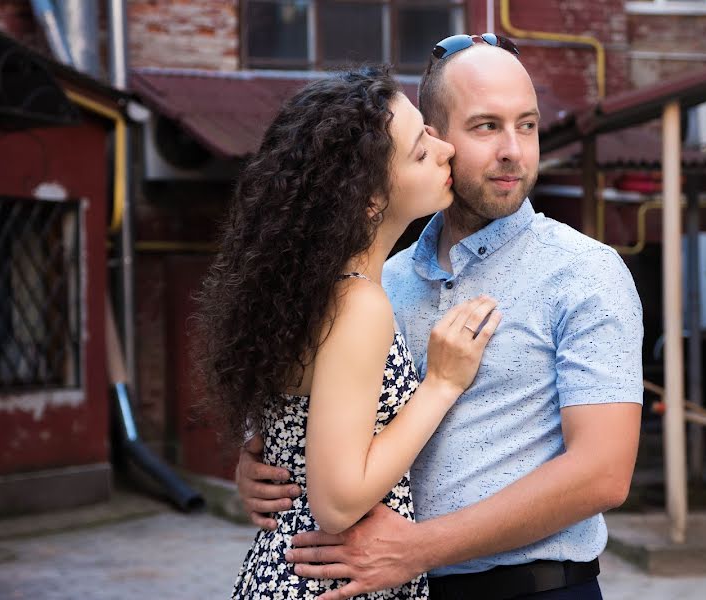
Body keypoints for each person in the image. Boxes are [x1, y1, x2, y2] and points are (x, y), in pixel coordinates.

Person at [237, 35, 644, 600]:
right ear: (435, 137)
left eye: (526, 125)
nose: (513, 151)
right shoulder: (380, 280)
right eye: (486, 127)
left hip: (532, 589)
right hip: (386, 586)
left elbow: (602, 474)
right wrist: (262, 464)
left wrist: (418, 548)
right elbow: (320, 410)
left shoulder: (585, 272)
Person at [194, 66, 503, 600]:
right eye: (420, 151)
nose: (446, 150)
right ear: (368, 200)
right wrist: (441, 385)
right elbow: (338, 502)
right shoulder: (358, 302)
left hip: (289, 571)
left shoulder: (309, 290)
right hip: (331, 578)